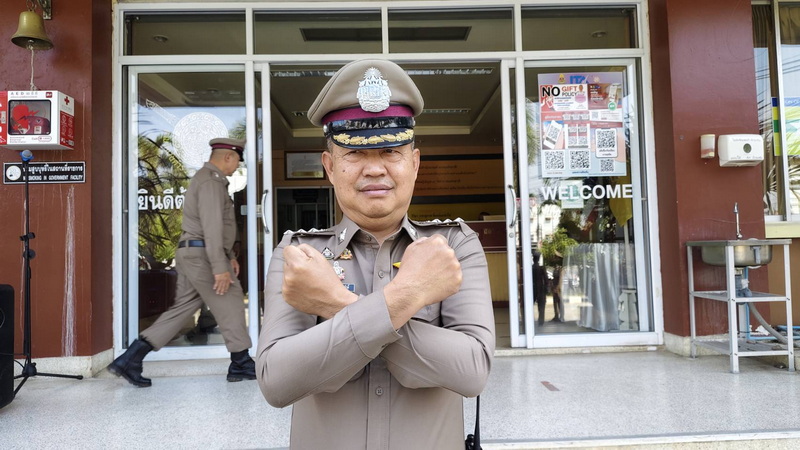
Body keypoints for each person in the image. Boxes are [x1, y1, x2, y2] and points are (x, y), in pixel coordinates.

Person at [256, 59, 495, 449]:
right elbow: (276, 381)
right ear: (330, 167)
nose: (374, 169)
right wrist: (404, 298)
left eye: (391, 151)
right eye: (355, 154)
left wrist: (335, 303)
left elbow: (471, 371)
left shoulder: (453, 246)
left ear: (414, 164)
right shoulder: (300, 254)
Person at [108, 137, 256, 387]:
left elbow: (214, 227)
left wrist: (229, 257)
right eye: (237, 162)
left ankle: (130, 358)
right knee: (231, 300)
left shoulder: (208, 179)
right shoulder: (211, 181)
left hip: (194, 253)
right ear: (228, 157)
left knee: (182, 308)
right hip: (203, 256)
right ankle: (240, 362)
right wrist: (220, 266)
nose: (236, 167)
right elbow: (211, 226)